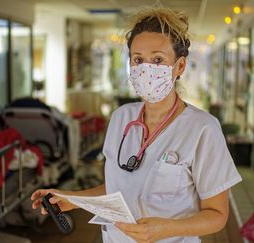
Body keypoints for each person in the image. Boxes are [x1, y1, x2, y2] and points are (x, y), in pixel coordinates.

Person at [31, 8, 242, 243]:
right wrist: (72, 198)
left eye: (158, 60)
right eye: (138, 60)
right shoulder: (121, 118)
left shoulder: (203, 128)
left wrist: (164, 229)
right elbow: (118, 188)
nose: (146, 69)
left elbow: (217, 216)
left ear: (179, 67)